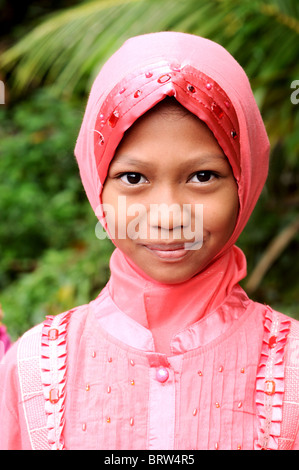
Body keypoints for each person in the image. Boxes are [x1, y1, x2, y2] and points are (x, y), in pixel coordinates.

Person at [0, 31, 298, 450]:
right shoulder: (33, 371)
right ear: (96, 183)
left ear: (245, 181)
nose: (167, 216)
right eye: (134, 178)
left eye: (202, 177)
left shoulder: (293, 370)